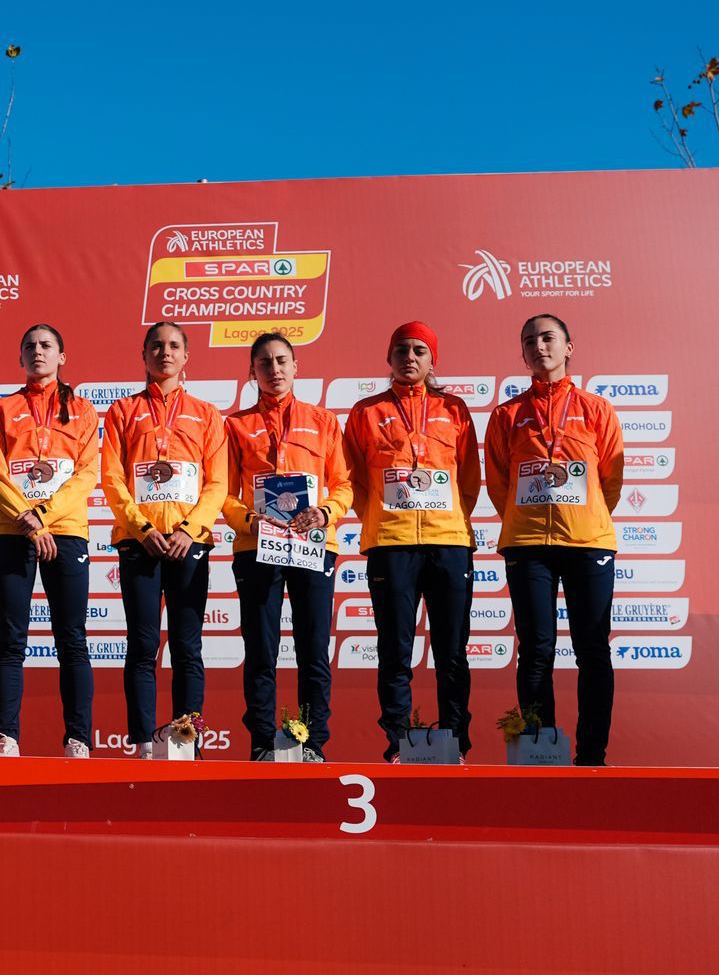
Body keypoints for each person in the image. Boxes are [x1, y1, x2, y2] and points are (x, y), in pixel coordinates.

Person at [486, 313, 625, 766]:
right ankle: (539, 753)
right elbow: (499, 482)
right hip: (528, 545)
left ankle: (591, 756)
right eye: (529, 341)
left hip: (588, 543)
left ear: (569, 347)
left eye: (548, 338)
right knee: (536, 650)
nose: (539, 346)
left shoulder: (596, 409)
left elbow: (611, 480)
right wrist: (528, 517)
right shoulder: (507, 414)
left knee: (592, 650)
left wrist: (582, 515)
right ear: (523, 353)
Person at [341, 321, 481, 761]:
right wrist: (382, 519)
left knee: (452, 652)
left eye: (420, 350)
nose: (410, 358)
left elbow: (469, 480)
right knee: (395, 651)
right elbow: (354, 479)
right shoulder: (366, 412)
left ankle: (454, 742)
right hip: (391, 544)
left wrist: (449, 519)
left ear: (432, 359)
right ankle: (399, 743)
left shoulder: (455, 409)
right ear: (389, 357)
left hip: (448, 543)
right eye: (401, 350)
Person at [222, 332, 352, 761]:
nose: (274, 369)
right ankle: (262, 742)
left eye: (281, 361)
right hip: (257, 547)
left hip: (313, 546)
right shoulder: (235, 425)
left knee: (313, 649)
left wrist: (326, 512)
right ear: (252, 371)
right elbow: (223, 491)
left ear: (296, 367)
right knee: (261, 649)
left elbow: (344, 484)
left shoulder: (323, 420)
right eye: (264, 362)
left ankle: (312, 743)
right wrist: (248, 520)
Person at [102, 321, 226, 758]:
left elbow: (217, 482)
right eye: (156, 346)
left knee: (188, 647)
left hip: (189, 544)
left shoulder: (206, 413)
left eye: (174, 346)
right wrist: (143, 529)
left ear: (186, 355)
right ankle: (141, 745)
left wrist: (189, 530)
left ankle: (186, 743)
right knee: (142, 645)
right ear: (144, 355)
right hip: (140, 543)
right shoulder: (122, 410)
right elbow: (112, 478)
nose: (165, 352)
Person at [0, 324, 99, 757]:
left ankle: (78, 740)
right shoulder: (2, 408)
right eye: (29, 346)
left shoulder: (83, 410)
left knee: (72, 638)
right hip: (13, 530)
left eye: (47, 345)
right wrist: (30, 522)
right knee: (11, 637)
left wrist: (45, 517)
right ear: (20, 358)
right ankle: (5, 737)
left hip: (65, 532)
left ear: (61, 357)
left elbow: (87, 474)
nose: (38, 351)